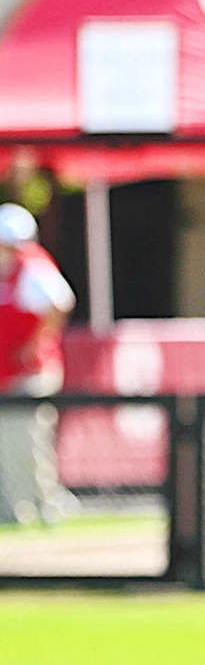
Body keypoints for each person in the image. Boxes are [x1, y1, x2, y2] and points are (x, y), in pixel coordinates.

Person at [0, 203, 78, 526]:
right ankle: (19, 507)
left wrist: (35, 345)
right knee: (10, 441)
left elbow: (60, 303)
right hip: (7, 373)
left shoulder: (32, 267)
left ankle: (42, 505)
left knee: (27, 438)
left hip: (31, 372)